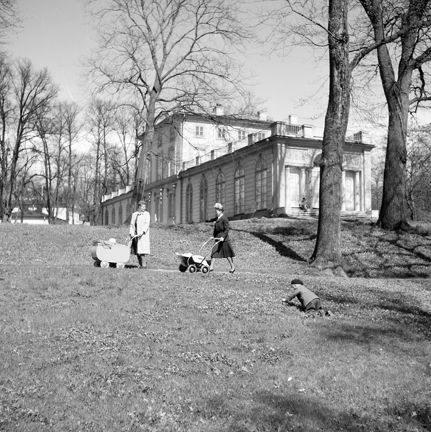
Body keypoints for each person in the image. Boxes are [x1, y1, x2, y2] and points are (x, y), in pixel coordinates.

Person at [208, 202, 236, 273]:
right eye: (216, 210)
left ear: (220, 210)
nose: (216, 212)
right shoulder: (217, 219)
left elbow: (226, 229)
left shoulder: (224, 219)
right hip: (217, 238)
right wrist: (213, 236)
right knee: (214, 251)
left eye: (217, 210)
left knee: (227, 254)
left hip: (224, 239)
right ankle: (211, 267)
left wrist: (223, 237)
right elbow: (216, 230)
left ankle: (232, 267)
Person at [129, 200, 151, 268]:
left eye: (145, 206)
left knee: (142, 251)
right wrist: (131, 233)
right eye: (143, 206)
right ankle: (140, 264)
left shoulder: (147, 214)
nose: (144, 208)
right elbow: (132, 225)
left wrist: (143, 232)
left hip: (143, 235)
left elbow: (147, 224)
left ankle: (144, 265)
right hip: (135, 235)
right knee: (137, 250)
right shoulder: (134, 214)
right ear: (139, 207)